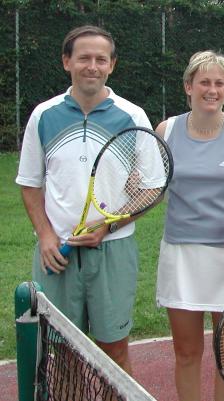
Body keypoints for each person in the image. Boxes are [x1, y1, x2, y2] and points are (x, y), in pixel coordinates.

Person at [16, 25, 153, 374]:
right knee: (61, 352)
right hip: (56, 253)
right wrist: (46, 236)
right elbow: (30, 185)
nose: (92, 66)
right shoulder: (43, 115)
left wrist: (108, 226)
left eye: (100, 59)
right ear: (67, 62)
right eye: (84, 58)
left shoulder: (133, 116)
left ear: (112, 65)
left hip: (113, 250)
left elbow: (153, 188)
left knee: (114, 351)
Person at [154, 50, 224, 401]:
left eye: (219, 83)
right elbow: (150, 189)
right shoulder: (167, 130)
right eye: (204, 82)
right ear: (188, 86)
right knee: (187, 354)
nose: (212, 89)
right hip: (181, 255)